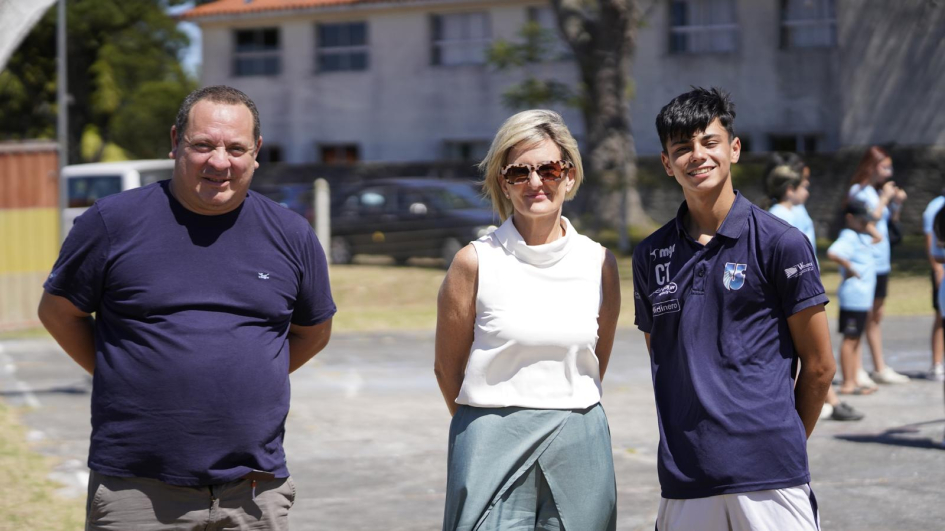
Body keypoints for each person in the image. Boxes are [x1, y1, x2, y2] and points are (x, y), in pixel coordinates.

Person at [37, 85, 336, 530]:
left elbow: (313, 331)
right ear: (176, 141)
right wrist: (125, 372)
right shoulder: (111, 222)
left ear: (256, 152)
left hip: (254, 491)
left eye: (236, 148)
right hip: (137, 489)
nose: (220, 161)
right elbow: (59, 313)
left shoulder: (292, 235)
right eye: (203, 145)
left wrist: (250, 375)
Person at [632, 87, 834, 531]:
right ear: (667, 163)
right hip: (687, 477)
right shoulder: (650, 255)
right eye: (682, 148)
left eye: (709, 142)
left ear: (734, 149)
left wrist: (782, 444)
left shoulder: (781, 242)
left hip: (770, 478)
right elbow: (665, 356)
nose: (697, 156)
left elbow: (819, 366)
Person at [435, 109, 620, 531]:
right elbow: (448, 367)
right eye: (519, 172)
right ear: (504, 182)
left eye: (550, 169)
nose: (535, 183)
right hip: (488, 439)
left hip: (579, 437)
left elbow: (596, 359)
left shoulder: (600, 263)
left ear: (569, 176)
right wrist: (490, 423)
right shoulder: (473, 262)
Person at [765, 158, 863, 421]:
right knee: (808, 353)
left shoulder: (797, 212)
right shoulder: (779, 217)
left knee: (815, 352)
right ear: (789, 188)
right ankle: (817, 405)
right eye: (803, 186)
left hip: (807, 286)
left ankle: (829, 399)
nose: (807, 192)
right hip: (791, 290)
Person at [847, 146, 909, 385]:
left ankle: (879, 367)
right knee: (864, 314)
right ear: (871, 166)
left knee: (877, 315)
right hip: (867, 260)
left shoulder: (874, 192)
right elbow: (868, 220)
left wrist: (897, 205)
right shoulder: (859, 192)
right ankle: (858, 368)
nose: (889, 171)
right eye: (884, 166)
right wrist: (884, 199)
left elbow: (889, 223)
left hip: (882, 260)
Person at [827, 200, 881, 397]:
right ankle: (848, 382)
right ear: (850, 219)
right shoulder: (848, 236)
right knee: (850, 339)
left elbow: (879, 237)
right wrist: (849, 267)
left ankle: (855, 378)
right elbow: (832, 252)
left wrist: (865, 223)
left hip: (861, 298)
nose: (866, 223)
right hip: (853, 296)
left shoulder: (859, 235)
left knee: (856, 338)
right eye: (862, 219)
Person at [922, 190, 945, 381]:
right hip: (942, 269)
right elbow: (932, 239)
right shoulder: (937, 207)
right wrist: (937, 268)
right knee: (940, 316)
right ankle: (937, 363)